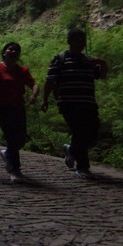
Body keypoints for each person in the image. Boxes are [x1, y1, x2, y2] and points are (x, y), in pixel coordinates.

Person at [42, 28, 108, 179]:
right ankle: (82, 167)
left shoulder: (89, 61)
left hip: (88, 103)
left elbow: (102, 76)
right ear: (69, 41)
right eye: (77, 40)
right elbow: (50, 80)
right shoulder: (60, 59)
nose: (80, 43)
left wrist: (102, 63)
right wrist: (45, 99)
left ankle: (72, 150)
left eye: (82, 40)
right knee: (80, 131)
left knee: (92, 132)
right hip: (68, 103)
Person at [0, 42, 39, 183]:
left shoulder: (22, 70)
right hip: (1, 108)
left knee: (20, 139)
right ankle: (15, 169)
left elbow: (34, 84)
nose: (13, 51)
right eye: (10, 49)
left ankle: (7, 153)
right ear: (4, 52)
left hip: (18, 108)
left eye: (16, 50)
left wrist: (33, 95)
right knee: (12, 138)